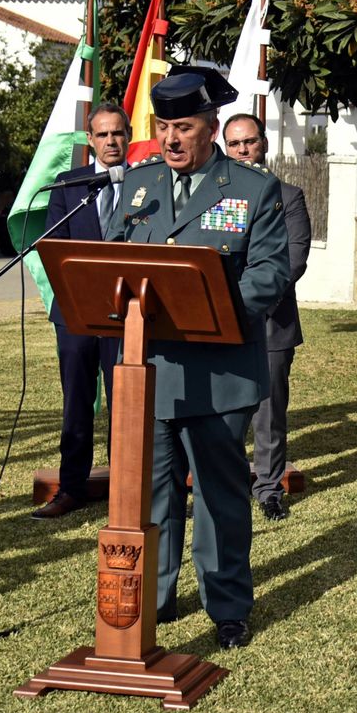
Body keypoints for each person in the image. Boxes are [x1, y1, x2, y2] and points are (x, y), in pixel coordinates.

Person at [106, 66, 291, 649]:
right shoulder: (139, 186)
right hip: (151, 370)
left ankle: (227, 604)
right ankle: (153, 598)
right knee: (153, 493)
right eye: (163, 127)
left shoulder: (251, 189)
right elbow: (112, 257)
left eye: (183, 128)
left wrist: (206, 306)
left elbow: (270, 274)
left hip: (219, 371)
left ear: (211, 129)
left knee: (218, 496)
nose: (170, 140)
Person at [32, 102, 129, 519]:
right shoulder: (68, 186)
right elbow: (56, 249)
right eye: (103, 135)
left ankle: (128, 489)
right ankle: (71, 487)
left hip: (128, 315)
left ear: (128, 136)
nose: (111, 141)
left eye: (118, 133)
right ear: (90, 140)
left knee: (127, 401)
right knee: (77, 400)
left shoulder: (149, 183)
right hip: (75, 313)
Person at [222, 112, 312, 522]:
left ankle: (269, 488)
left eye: (250, 142)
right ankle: (222, 486)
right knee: (221, 412)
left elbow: (294, 260)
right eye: (235, 144)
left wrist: (247, 302)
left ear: (264, 145)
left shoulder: (288, 197)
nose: (243, 150)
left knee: (269, 412)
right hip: (218, 319)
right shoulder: (215, 196)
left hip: (271, 321)